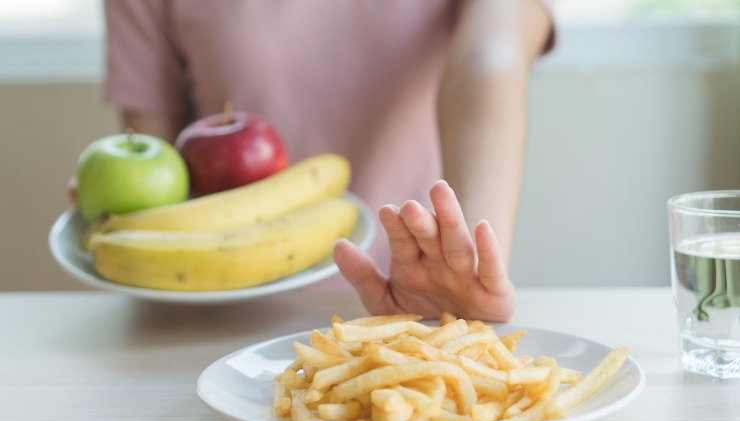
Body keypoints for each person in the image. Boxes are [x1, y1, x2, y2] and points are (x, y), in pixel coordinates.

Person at [102, 0, 555, 322]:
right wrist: (123, 206)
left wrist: (469, 273)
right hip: (212, 311)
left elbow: (491, 60)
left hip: (418, 310)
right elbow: (151, 152)